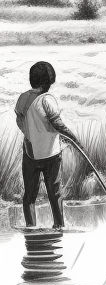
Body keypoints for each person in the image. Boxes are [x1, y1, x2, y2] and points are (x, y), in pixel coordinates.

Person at [15, 61, 80, 228]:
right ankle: (59, 226)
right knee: (55, 193)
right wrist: (74, 140)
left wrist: (31, 135)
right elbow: (58, 124)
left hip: (30, 153)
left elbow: (19, 121)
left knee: (29, 195)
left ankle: (31, 227)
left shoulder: (22, 98)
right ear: (47, 82)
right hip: (51, 154)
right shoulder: (47, 100)